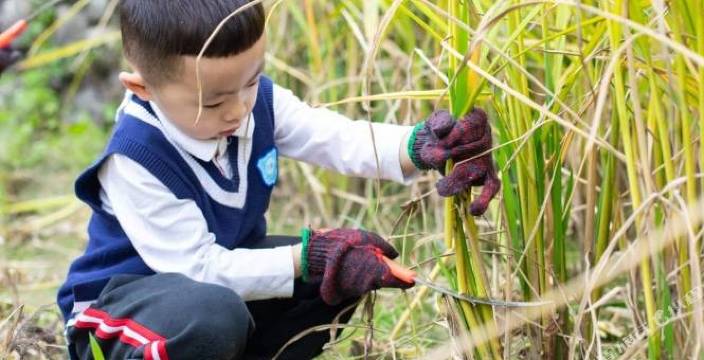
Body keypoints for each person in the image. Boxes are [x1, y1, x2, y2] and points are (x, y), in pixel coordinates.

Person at [56, 1, 500, 359]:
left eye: (249, 83)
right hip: (123, 315)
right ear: (143, 89)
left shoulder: (255, 103)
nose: (237, 110)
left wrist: (423, 146)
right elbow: (198, 269)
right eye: (213, 103)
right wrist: (307, 255)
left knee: (334, 274)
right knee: (213, 312)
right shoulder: (135, 158)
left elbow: (336, 137)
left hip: (209, 296)